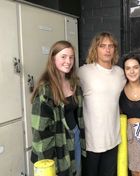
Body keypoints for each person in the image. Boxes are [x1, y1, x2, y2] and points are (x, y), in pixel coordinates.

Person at [30, 40, 86, 176]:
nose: (68, 61)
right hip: (56, 143)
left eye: (71, 57)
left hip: (75, 137)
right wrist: (48, 164)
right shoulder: (45, 89)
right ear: (53, 58)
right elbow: (40, 132)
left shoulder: (74, 84)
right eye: (63, 56)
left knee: (76, 172)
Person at [78, 31, 126, 176]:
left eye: (110, 46)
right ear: (95, 49)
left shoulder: (120, 73)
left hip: (113, 138)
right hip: (91, 141)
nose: (107, 49)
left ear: (114, 49)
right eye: (102, 46)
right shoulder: (83, 72)